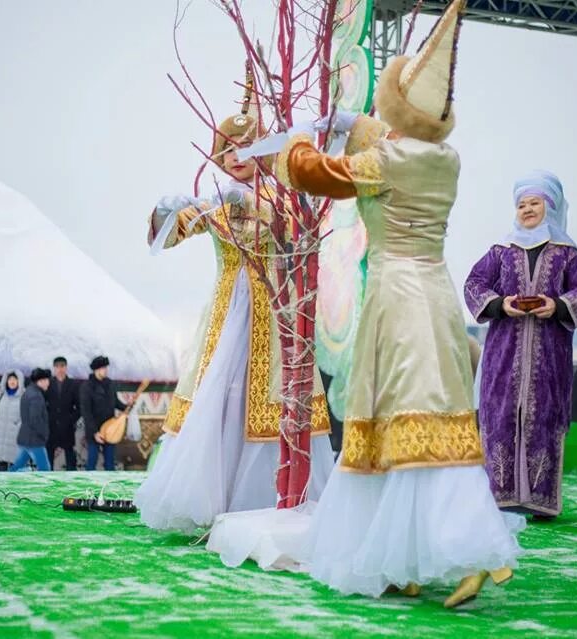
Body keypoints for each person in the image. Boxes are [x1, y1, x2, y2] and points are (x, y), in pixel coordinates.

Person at [207, 1, 523, 609]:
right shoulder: (444, 159)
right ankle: (405, 556)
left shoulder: (386, 161)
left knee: (412, 422)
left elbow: (311, 172)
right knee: (423, 418)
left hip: (395, 298)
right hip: (432, 290)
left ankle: (473, 549)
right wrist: (355, 122)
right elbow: (398, 143)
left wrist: (299, 138)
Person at [134, 97, 333, 533]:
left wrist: (255, 204)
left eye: (246, 146)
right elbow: (169, 236)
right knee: (217, 398)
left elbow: (299, 234)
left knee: (277, 399)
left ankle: (273, 500)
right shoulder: (217, 201)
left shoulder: (285, 195)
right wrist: (167, 211)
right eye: (227, 149)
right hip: (227, 313)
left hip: (277, 313)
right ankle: (212, 502)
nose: (236, 156)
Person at [465, 170, 577, 522]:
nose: (527, 209)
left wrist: (556, 305)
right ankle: (501, 498)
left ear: (550, 207)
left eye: (534, 203)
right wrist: (501, 304)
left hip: (549, 357)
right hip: (503, 356)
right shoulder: (501, 251)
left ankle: (539, 500)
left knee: (542, 418)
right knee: (501, 417)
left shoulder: (567, 255)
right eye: (522, 204)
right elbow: (474, 283)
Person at [79, 356, 127, 471]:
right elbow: (86, 412)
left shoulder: (110, 384)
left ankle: (109, 487)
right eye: (103, 368)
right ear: (96, 370)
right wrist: (95, 432)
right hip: (94, 430)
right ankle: (89, 487)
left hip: (110, 428)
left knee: (110, 463)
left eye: (106, 367)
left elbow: (115, 402)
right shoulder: (86, 387)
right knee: (92, 461)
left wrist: (126, 406)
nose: (105, 370)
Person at [11, 368, 52, 471]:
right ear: (41, 381)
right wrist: (44, 434)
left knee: (17, 467)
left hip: (26, 437)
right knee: (45, 469)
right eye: (47, 380)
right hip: (34, 439)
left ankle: (5, 481)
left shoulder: (29, 392)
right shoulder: (36, 396)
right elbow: (35, 419)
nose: (48, 383)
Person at [46, 356, 80, 471]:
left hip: (67, 427)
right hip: (51, 427)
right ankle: (47, 484)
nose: (60, 369)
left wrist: (71, 419)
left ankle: (71, 484)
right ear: (54, 368)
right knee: (48, 458)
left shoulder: (73, 384)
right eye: (57, 367)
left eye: (62, 366)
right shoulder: (48, 383)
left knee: (70, 458)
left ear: (66, 368)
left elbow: (79, 406)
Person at [0, 370, 24, 472]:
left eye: (14, 379)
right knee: (2, 463)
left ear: (19, 382)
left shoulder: (22, 397)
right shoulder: (0, 396)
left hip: (15, 436)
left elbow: (25, 416)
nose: (12, 382)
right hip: (0, 435)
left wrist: (18, 427)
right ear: (6, 381)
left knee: (15, 463)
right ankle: (1, 485)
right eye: (10, 379)